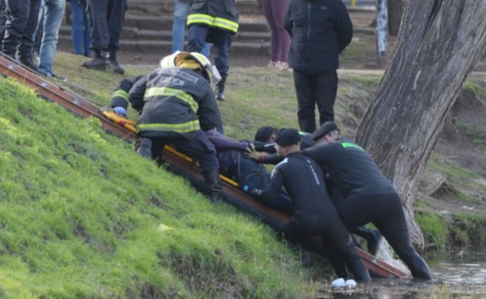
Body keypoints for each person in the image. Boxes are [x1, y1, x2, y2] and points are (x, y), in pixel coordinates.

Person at [290, 122, 433, 281]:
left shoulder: (332, 147)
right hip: (390, 197)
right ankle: (426, 284)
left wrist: (263, 152)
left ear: (326, 138)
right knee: (406, 251)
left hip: (366, 198)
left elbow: (298, 156)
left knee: (329, 230)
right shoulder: (354, 147)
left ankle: (343, 277)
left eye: (318, 144)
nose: (319, 149)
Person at [245, 129, 371, 288]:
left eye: (276, 146)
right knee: (352, 257)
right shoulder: (313, 162)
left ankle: (303, 257)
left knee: (284, 236)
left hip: (304, 221)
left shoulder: (282, 166)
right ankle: (365, 288)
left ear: (284, 148)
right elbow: (326, 187)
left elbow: (270, 197)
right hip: (331, 219)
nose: (275, 149)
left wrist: (251, 190)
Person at [128, 51, 224, 202]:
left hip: (148, 123)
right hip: (181, 127)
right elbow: (210, 120)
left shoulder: (157, 73)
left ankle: (147, 145)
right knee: (207, 152)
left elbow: (133, 95)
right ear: (201, 70)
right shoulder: (202, 83)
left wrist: (147, 111)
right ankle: (216, 193)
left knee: (158, 135)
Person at [284, 0, 353, 133]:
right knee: (304, 110)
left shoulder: (333, 4)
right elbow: (288, 26)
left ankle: (326, 144)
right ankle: (308, 143)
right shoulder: (294, 3)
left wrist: (331, 50)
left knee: (326, 110)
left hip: (325, 67)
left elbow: (346, 32)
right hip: (300, 66)